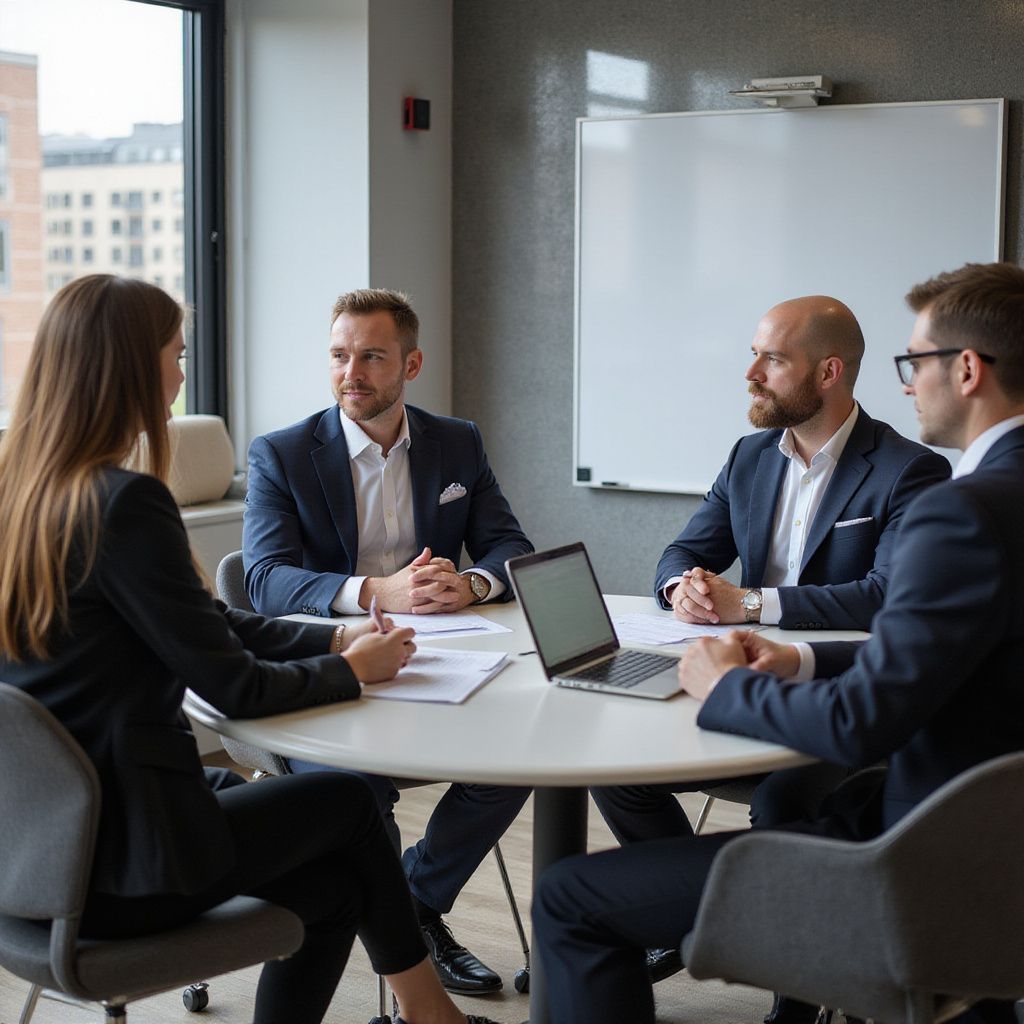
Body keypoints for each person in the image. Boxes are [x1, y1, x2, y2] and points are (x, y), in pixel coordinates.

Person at [532, 261, 1024, 1024]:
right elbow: (953, 647)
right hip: (990, 841)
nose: (906, 383)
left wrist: (727, 687)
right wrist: (791, 655)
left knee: (569, 896)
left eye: (915, 362)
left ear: (965, 369)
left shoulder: (954, 505)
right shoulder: (759, 458)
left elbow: (864, 718)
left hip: (913, 865)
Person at [0, 274, 501, 1024]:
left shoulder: (27, 493)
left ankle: (429, 1013)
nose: (180, 373)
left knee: (334, 887)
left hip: (37, 853)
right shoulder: (125, 504)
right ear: (131, 367)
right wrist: (349, 670)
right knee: (349, 801)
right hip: (120, 862)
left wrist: (335, 636)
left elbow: (207, 623)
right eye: (175, 353)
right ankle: (433, 1014)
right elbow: (234, 687)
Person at [593, 294, 950, 981]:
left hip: (834, 693)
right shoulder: (751, 456)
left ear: (828, 373)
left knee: (786, 798)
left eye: (773, 359)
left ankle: (799, 981)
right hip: (741, 681)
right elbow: (680, 551)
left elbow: (883, 596)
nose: (751, 373)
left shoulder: (910, 470)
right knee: (619, 768)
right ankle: (700, 918)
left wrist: (750, 603)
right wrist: (684, 589)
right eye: (753, 354)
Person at [243, 287, 533, 994]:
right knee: (358, 791)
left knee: (521, 759)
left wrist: (473, 587)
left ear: (411, 365)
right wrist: (375, 593)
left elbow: (508, 547)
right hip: (329, 674)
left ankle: (415, 902)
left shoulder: (456, 440)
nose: (352, 373)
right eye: (340, 356)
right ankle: (411, 941)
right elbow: (263, 579)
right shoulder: (282, 454)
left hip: (445, 661)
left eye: (372, 356)